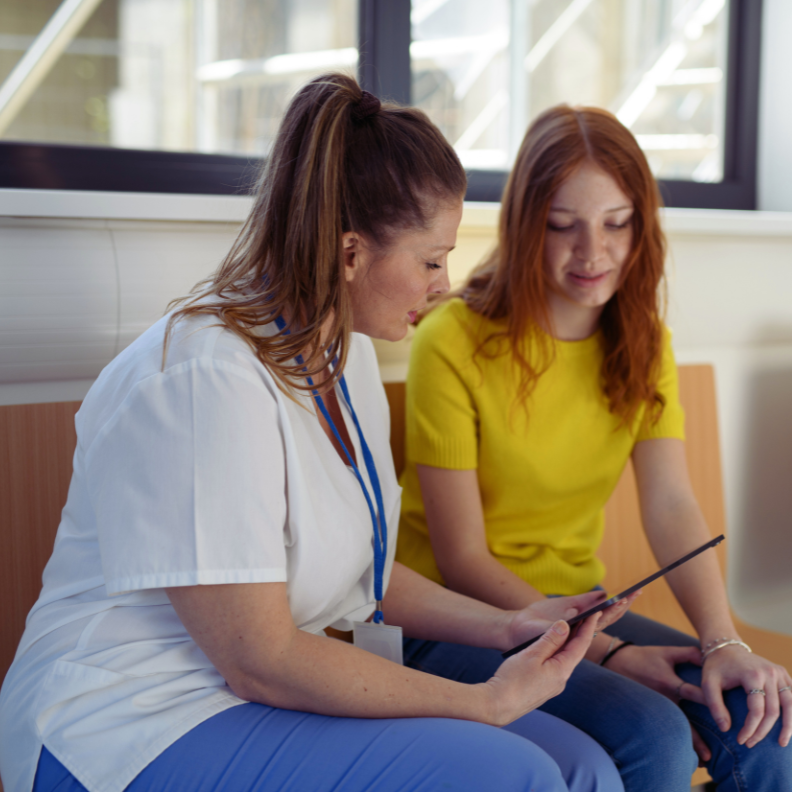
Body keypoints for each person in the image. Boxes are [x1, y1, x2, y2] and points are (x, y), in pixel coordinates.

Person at [0, 76, 634, 792]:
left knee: (582, 768)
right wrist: (484, 703)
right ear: (351, 253)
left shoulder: (345, 354)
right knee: (517, 775)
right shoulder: (205, 380)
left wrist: (510, 624)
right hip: (135, 716)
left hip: (257, 684)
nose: (444, 284)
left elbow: (362, 567)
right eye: (431, 260)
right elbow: (259, 659)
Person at [396, 104, 792, 792]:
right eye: (562, 225)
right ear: (526, 225)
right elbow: (462, 560)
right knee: (656, 739)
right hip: (455, 619)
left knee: (766, 719)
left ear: (642, 226)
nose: (593, 252)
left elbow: (671, 504)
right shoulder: (450, 341)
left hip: (578, 607)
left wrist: (723, 640)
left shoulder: (644, 343)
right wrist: (612, 653)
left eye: (616, 223)